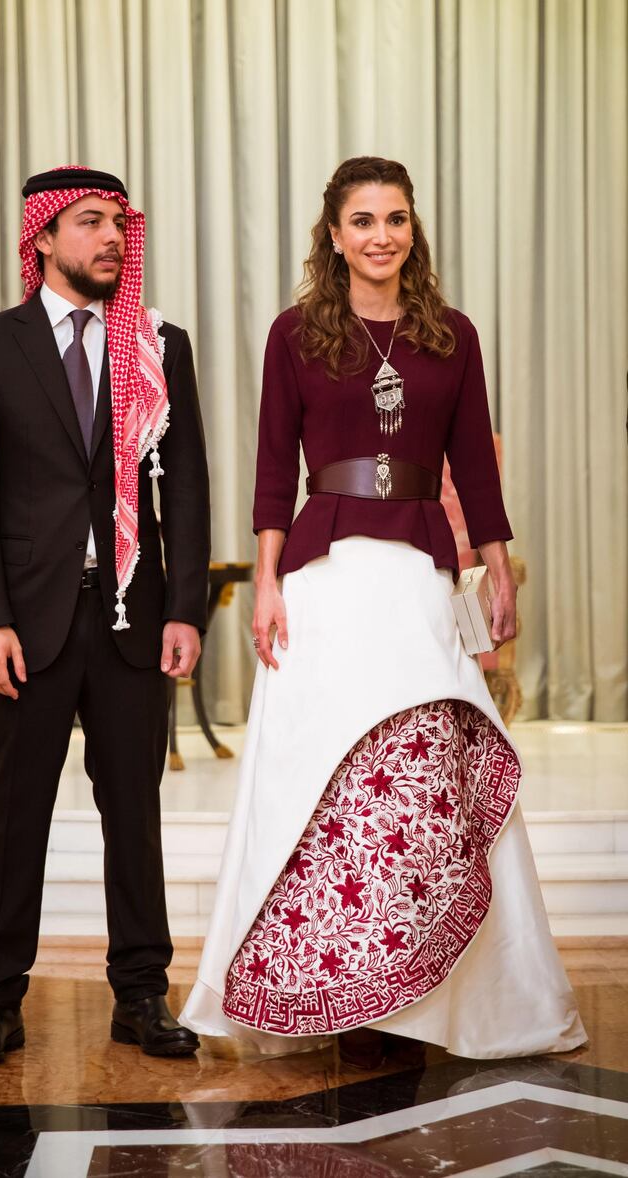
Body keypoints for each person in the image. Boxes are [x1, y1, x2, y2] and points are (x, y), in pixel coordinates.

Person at [182, 156, 585, 1065]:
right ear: (334, 235)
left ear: (414, 231)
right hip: (324, 578)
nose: (380, 235)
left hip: (415, 576)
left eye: (395, 219)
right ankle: (334, 988)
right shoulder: (294, 335)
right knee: (324, 783)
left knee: (420, 779)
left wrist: (497, 567)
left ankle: (435, 995)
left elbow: (474, 470)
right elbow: (269, 469)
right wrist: (270, 579)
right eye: (361, 220)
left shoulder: (454, 336)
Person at [0, 166, 210, 1066]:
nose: (110, 239)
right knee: (12, 815)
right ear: (44, 238)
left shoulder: (157, 345)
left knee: (133, 814)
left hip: (133, 621)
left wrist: (187, 608)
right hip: (26, 626)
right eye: (89, 223)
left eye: (118, 224)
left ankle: (141, 993)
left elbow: (191, 487)